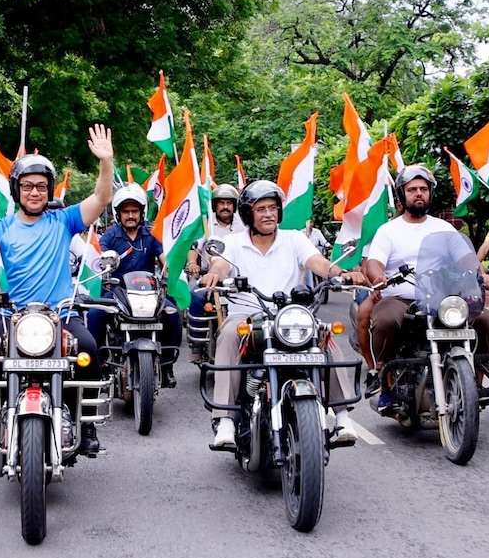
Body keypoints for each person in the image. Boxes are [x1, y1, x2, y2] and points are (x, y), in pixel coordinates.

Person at [0, 124, 114, 458]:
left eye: (42, 187)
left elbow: (102, 197)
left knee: (88, 348)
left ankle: (86, 426)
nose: (35, 192)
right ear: (16, 190)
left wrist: (106, 161)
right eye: (28, 186)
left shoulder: (65, 221)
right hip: (10, 318)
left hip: (61, 316)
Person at [199, 180, 363, 447]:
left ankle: (343, 415)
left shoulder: (294, 239)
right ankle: (225, 420)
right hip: (248, 316)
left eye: (273, 208)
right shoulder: (233, 243)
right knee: (228, 333)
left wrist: (341, 274)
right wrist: (213, 275)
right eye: (261, 208)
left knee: (324, 334)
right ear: (248, 214)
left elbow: (318, 263)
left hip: (291, 317)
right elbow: (219, 265)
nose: (269, 214)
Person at [362, 165, 489, 415]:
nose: (419, 194)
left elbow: (466, 257)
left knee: (485, 318)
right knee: (385, 320)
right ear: (402, 195)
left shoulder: (443, 228)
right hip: (403, 295)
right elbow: (374, 262)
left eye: (423, 189)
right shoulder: (388, 230)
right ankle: (385, 381)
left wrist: (482, 274)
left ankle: (477, 378)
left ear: (430, 193)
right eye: (412, 189)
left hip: (443, 296)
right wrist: (380, 276)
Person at [87, 184, 182, 388]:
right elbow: (100, 262)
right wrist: (104, 269)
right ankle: (101, 363)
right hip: (116, 291)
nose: (130, 215)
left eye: (134, 211)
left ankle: (166, 367)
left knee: (173, 313)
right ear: (118, 214)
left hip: (149, 291)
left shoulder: (152, 233)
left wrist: (171, 268)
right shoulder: (110, 236)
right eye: (126, 211)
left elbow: (164, 259)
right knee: (94, 314)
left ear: (141, 212)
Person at [185, 183, 245, 362]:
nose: (225, 206)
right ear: (215, 205)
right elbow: (194, 246)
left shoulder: (243, 225)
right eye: (221, 203)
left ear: (234, 205)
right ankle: (197, 345)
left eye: (229, 202)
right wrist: (192, 263)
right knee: (195, 295)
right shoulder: (206, 224)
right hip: (208, 276)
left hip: (236, 278)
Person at [303, 218, 331, 288]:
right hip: (306, 255)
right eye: (309, 222)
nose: (310, 224)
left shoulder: (317, 232)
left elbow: (323, 242)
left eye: (311, 222)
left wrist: (329, 245)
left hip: (316, 253)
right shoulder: (302, 232)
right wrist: (307, 233)